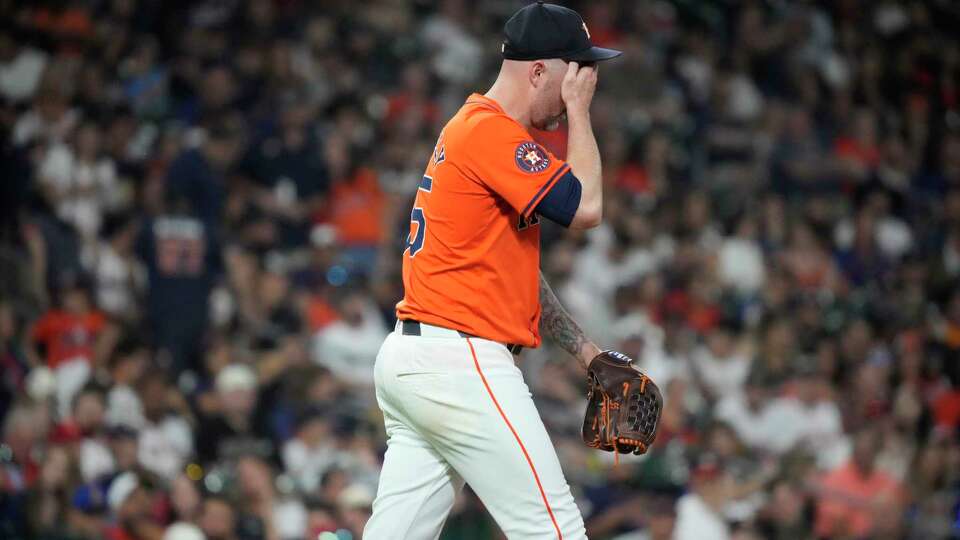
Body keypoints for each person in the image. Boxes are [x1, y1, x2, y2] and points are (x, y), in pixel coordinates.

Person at [364, 2, 621, 538]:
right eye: (575, 72)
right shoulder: (489, 131)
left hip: (419, 360)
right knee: (555, 530)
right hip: (460, 363)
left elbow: (519, 271)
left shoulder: (476, 130)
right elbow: (586, 208)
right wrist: (580, 112)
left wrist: (583, 350)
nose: (584, 82)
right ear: (538, 71)